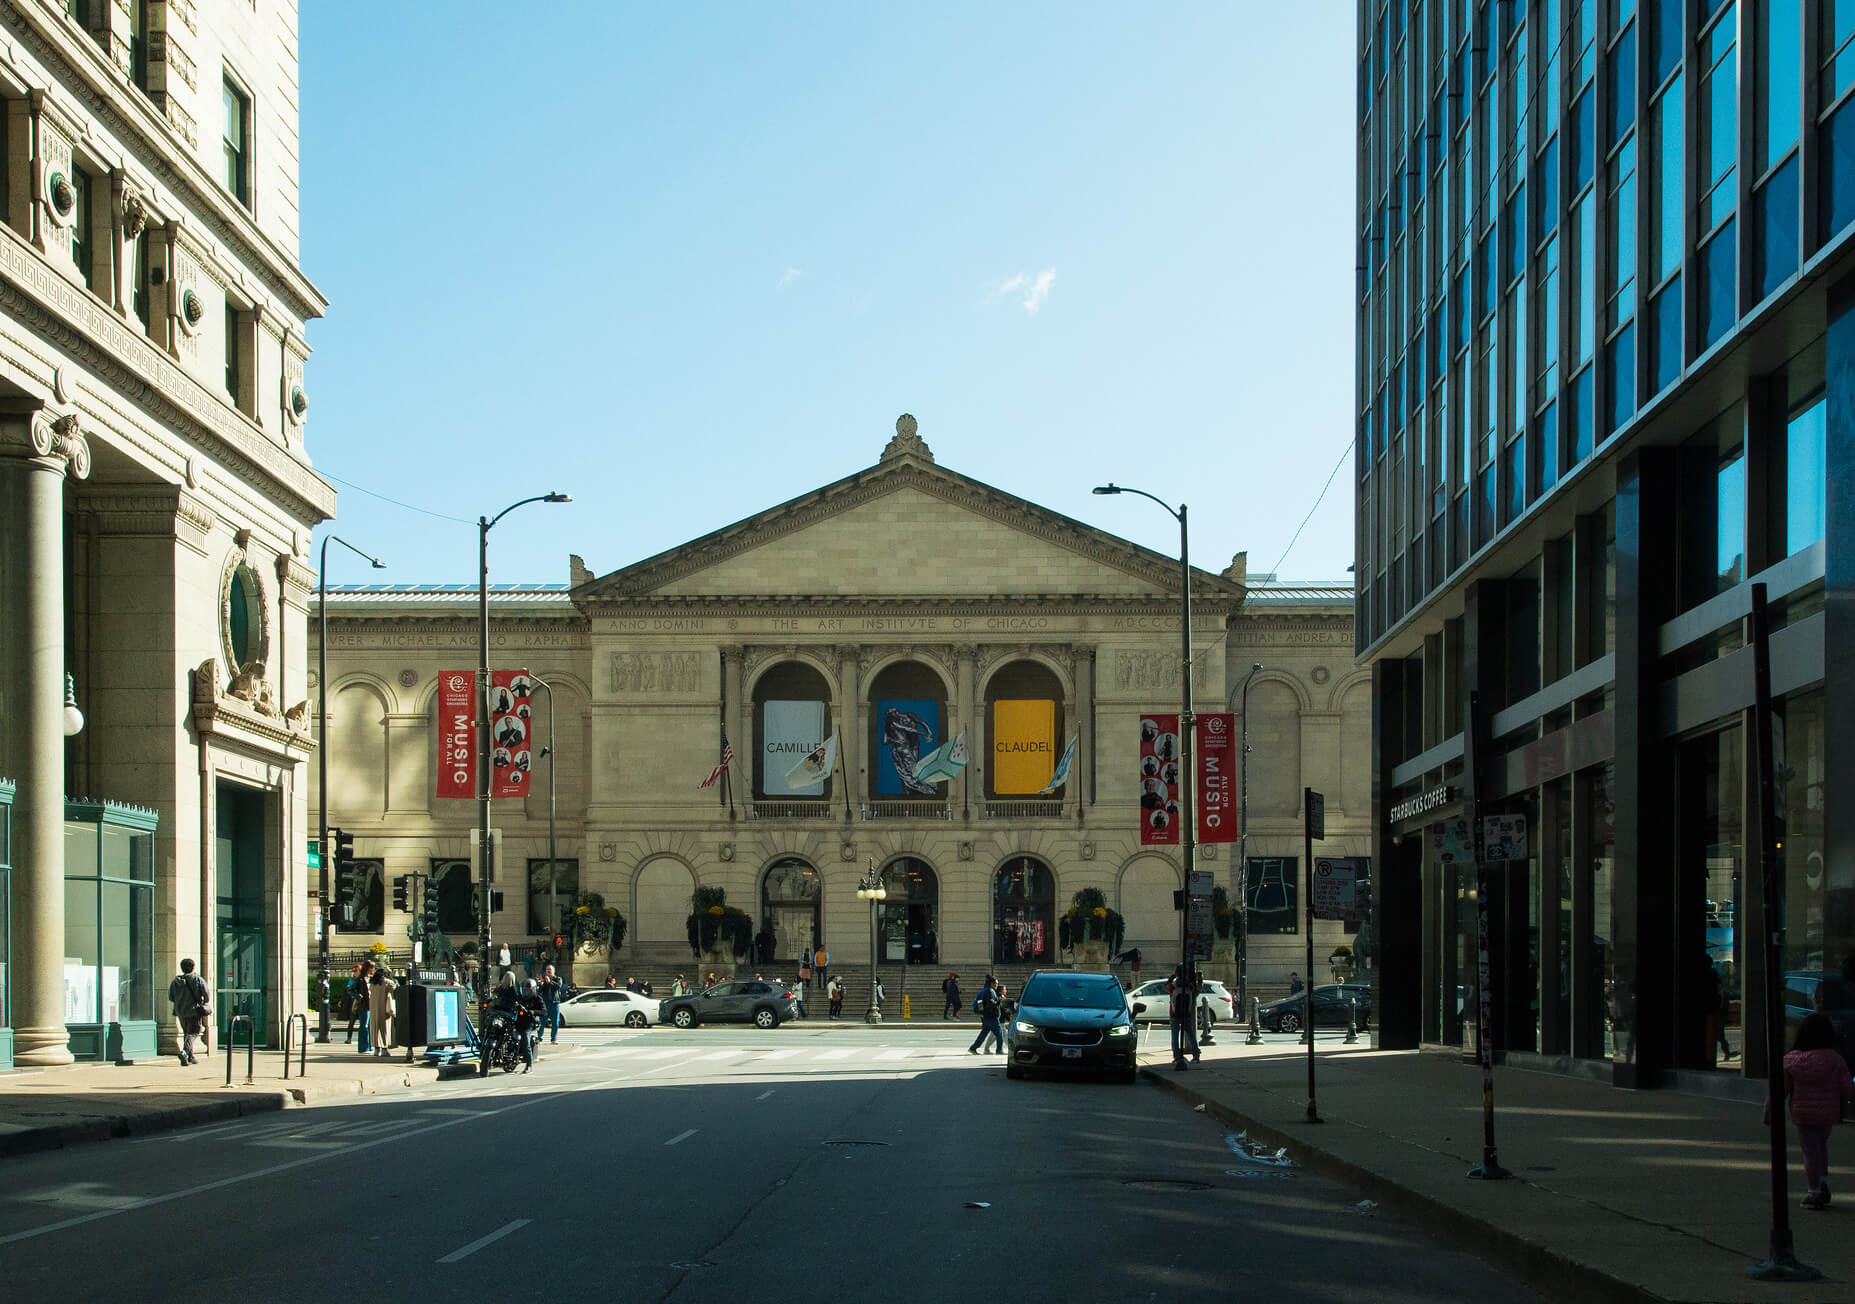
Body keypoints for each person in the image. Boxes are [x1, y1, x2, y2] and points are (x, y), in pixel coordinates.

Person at [1764, 1013, 1855, 1210]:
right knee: (1821, 1147)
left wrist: (1769, 1110)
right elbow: (1848, 1087)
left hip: (1803, 1113)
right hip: (1828, 1114)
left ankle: (1813, 1191)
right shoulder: (1835, 1059)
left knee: (1809, 1152)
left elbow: (1780, 1091)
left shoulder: (1790, 1061)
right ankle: (1822, 1182)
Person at [167, 958, 211, 1066]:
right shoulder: (197, 979)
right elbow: (206, 995)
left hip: (180, 1011)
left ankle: (190, 1056)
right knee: (194, 1032)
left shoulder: (175, 981)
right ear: (193, 967)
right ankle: (185, 1052)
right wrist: (203, 1002)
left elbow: (171, 997)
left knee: (186, 1033)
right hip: (194, 1010)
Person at [1168, 966, 1200, 1070]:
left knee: (1175, 1036)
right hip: (1187, 1013)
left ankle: (1176, 1057)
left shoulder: (1173, 985)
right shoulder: (1190, 986)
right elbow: (1196, 993)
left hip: (1174, 1013)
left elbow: (1167, 989)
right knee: (1191, 1035)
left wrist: (1172, 977)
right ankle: (1196, 1055)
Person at [369, 965, 399, 1057]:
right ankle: (384, 1049)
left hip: (374, 1010)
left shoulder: (373, 984)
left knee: (375, 1029)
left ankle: (376, 1049)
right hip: (384, 1010)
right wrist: (390, 975)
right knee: (385, 1029)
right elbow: (396, 987)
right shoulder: (387, 983)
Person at [969, 978, 1004, 1054]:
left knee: (983, 1034)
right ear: (992, 983)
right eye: (996, 983)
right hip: (991, 1016)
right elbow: (991, 1004)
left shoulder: (986, 990)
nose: (997, 985)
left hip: (986, 1016)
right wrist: (1000, 999)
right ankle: (999, 1050)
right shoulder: (989, 991)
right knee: (999, 1034)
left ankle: (973, 1048)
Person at [538, 964, 566, 1045]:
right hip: (545, 1004)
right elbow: (540, 991)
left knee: (555, 1022)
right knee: (542, 1022)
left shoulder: (558, 979)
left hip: (555, 1003)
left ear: (553, 971)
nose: (548, 971)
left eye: (550, 969)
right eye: (547, 970)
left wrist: (550, 982)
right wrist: (541, 984)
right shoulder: (544, 980)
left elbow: (558, 986)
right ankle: (539, 1038)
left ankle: (553, 1039)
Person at [351, 960, 375, 1053]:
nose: (372, 970)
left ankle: (369, 1046)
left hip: (371, 1004)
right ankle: (363, 1047)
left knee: (369, 1026)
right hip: (364, 1005)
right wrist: (359, 996)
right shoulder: (360, 979)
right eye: (371, 968)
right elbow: (351, 990)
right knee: (364, 1026)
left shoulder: (371, 978)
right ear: (367, 968)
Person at [341, 962, 365, 1044]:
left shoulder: (363, 979)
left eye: (356, 970)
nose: (354, 972)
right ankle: (349, 1038)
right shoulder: (352, 980)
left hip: (363, 1003)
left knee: (363, 1022)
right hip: (354, 1002)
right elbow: (348, 990)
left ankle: (363, 1040)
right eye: (353, 971)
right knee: (351, 1021)